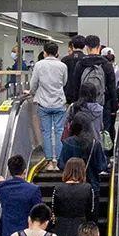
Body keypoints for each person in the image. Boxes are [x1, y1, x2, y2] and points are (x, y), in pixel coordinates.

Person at [70, 35, 119, 140]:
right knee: (103, 133)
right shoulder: (106, 64)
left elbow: (75, 86)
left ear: (86, 47)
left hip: (83, 106)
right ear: (99, 47)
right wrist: (114, 106)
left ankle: (87, 149)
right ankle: (102, 150)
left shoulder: (80, 64)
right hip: (103, 105)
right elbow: (112, 87)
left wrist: (75, 104)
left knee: (83, 132)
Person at [29, 40, 69, 169]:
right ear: (57, 53)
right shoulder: (62, 66)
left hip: (44, 103)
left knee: (46, 133)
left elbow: (34, 83)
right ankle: (59, 161)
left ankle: (49, 162)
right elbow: (64, 82)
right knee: (59, 132)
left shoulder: (39, 65)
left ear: (44, 52)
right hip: (59, 103)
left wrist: (31, 92)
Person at [0, 153, 43, 236]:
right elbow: (39, 212)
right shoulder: (33, 189)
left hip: (8, 235)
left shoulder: (2, 187)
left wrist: (0, 182)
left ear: (9, 172)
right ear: (25, 171)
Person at [51, 158, 97, 236]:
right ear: (82, 171)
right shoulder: (88, 188)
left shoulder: (58, 188)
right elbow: (91, 211)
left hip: (61, 227)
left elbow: (54, 210)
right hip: (81, 227)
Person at [59, 115, 109, 184]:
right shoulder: (95, 143)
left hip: (70, 185)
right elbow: (101, 166)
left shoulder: (67, 143)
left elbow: (61, 164)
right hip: (92, 183)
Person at [73, 77, 105, 143]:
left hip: (77, 141)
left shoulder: (75, 107)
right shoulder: (99, 109)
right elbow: (101, 127)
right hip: (95, 141)